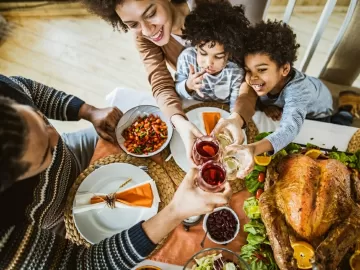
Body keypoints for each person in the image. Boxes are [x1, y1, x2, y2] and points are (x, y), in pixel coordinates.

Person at [0, 74, 232, 269]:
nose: (55, 136)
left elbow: (26, 89)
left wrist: (87, 111)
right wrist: (175, 211)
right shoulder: (5, 239)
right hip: (56, 219)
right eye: (46, 152)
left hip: (74, 154)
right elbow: (82, 264)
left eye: (42, 122)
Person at [80, 0, 267, 163]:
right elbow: (160, 83)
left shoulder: (212, 9)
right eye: (132, 24)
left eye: (151, 14)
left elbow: (248, 74)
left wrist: (237, 116)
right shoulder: (144, 37)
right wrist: (179, 122)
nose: (146, 30)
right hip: (197, 99)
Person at [239, 20, 334, 162]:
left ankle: (347, 109)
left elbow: (289, 129)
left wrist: (253, 149)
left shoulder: (298, 90)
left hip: (319, 112)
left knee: (330, 132)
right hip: (291, 103)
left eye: (262, 70)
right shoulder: (265, 83)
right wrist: (265, 106)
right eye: (248, 70)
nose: (252, 78)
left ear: (285, 69)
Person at [174, 1, 248, 111]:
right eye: (203, 53)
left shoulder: (235, 71)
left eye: (218, 56)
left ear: (229, 53)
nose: (209, 63)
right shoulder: (187, 58)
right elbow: (177, 90)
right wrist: (188, 85)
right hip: (192, 110)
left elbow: (235, 105)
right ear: (196, 45)